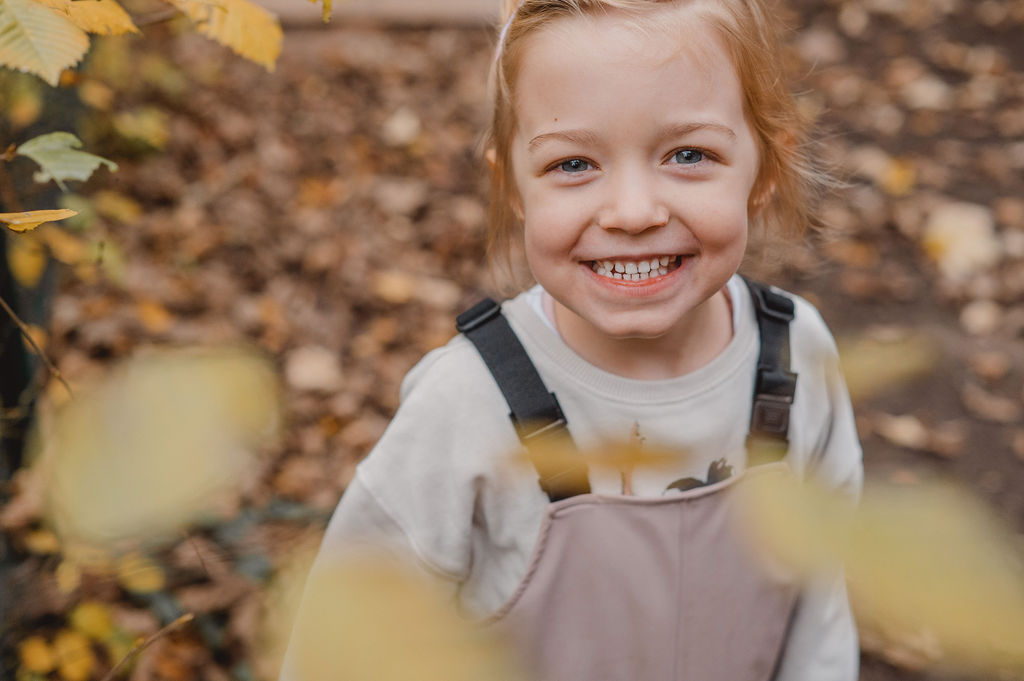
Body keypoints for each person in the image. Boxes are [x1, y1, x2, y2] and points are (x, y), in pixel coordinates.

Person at [282, 1, 863, 679]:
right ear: (517, 188)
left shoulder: (796, 358)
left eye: (688, 154)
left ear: (763, 169)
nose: (633, 212)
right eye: (573, 165)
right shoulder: (467, 402)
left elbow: (821, 607)